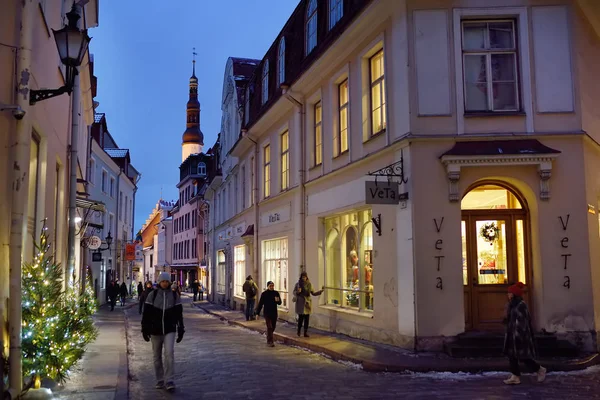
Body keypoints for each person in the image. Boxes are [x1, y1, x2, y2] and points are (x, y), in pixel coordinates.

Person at [142, 272, 185, 392]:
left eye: (167, 281)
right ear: (159, 282)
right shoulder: (153, 295)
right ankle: (160, 379)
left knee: (169, 353)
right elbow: (146, 314)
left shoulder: (174, 296)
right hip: (155, 330)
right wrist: (144, 329)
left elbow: (179, 314)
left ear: (169, 282)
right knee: (156, 356)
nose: (165, 283)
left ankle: (169, 380)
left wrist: (180, 328)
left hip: (169, 329)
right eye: (163, 281)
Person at [503, 282, 546, 385]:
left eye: (509, 293)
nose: (508, 295)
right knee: (511, 355)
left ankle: (539, 369)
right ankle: (515, 376)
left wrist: (518, 335)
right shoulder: (512, 305)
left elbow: (522, 322)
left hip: (519, 335)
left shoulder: (521, 305)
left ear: (514, 294)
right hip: (511, 333)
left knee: (523, 357)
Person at [293, 272, 323, 337]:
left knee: (307, 318)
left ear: (307, 277)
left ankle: (305, 332)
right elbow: (294, 292)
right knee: (300, 318)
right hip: (300, 302)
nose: (303, 278)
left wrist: (320, 292)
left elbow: (313, 293)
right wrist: (298, 292)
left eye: (305, 277)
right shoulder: (298, 284)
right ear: (301, 277)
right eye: (302, 277)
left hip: (307, 303)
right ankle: (298, 331)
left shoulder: (309, 284)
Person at [255, 281, 281, 347]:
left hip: (274, 312)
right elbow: (260, 303)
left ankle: (269, 337)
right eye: (270, 286)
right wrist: (257, 313)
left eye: (272, 286)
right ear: (268, 286)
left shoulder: (276, 293)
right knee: (269, 327)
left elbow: (279, 303)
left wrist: (277, 300)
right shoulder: (264, 294)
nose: (272, 287)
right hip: (267, 313)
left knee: (273, 327)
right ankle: (270, 341)